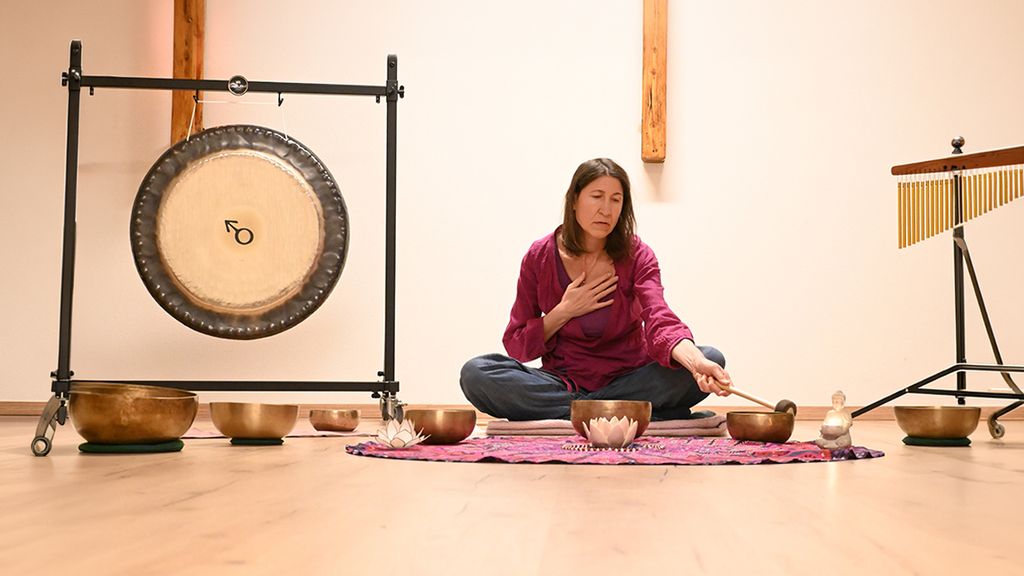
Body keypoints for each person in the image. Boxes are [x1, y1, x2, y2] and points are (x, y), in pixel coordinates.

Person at [460, 158, 733, 421]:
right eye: (597, 196)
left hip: (630, 378)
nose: (606, 209)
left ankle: (584, 411)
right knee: (476, 373)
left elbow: (659, 316)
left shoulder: (637, 254)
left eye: (616, 199)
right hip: (563, 383)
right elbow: (517, 345)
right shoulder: (539, 256)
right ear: (575, 200)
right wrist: (564, 311)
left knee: (710, 357)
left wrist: (696, 363)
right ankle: (622, 410)